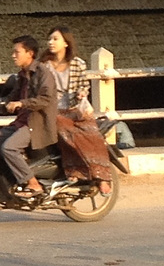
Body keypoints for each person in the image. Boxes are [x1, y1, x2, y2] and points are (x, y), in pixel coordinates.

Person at [40, 26, 113, 196]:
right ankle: (73, 172)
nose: (51, 42)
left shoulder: (77, 63)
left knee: (91, 135)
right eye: (49, 39)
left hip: (76, 108)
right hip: (54, 110)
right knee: (65, 133)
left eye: (55, 39)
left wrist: (82, 92)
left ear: (66, 43)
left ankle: (103, 177)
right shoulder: (44, 65)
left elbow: (83, 84)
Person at [0, 35, 58, 198]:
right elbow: (11, 98)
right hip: (21, 122)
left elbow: (45, 99)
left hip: (36, 123)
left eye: (16, 52)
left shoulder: (43, 73)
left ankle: (33, 184)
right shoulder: (21, 75)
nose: (13, 55)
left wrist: (22, 103)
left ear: (30, 53)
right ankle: (10, 183)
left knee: (9, 147)